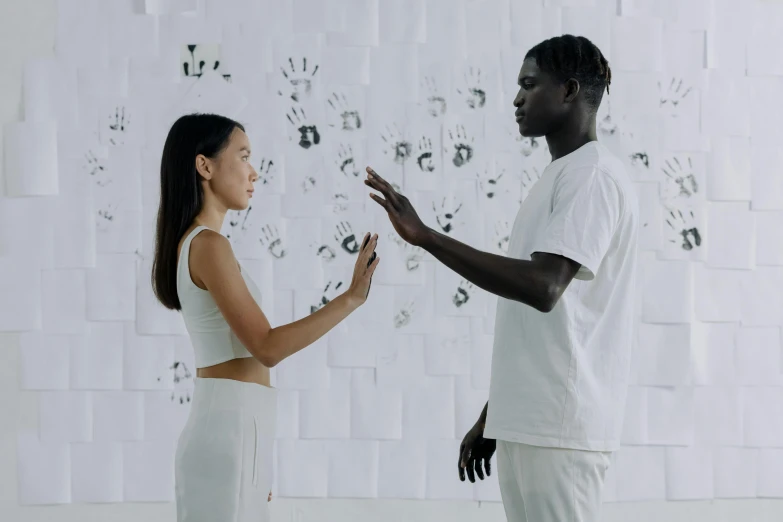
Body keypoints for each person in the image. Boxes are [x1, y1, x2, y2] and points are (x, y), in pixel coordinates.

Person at [365, 35, 638, 522]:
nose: (516, 99)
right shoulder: (560, 176)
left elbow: (544, 287)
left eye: (529, 85)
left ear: (570, 90)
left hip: (560, 430)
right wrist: (496, 415)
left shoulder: (592, 175)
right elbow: (541, 324)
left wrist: (428, 237)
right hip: (530, 424)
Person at [151, 113, 379, 522]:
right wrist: (350, 299)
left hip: (237, 430)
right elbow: (267, 347)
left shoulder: (204, 244)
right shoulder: (209, 246)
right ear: (205, 166)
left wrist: (255, 455)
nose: (253, 172)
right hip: (229, 432)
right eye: (243, 156)